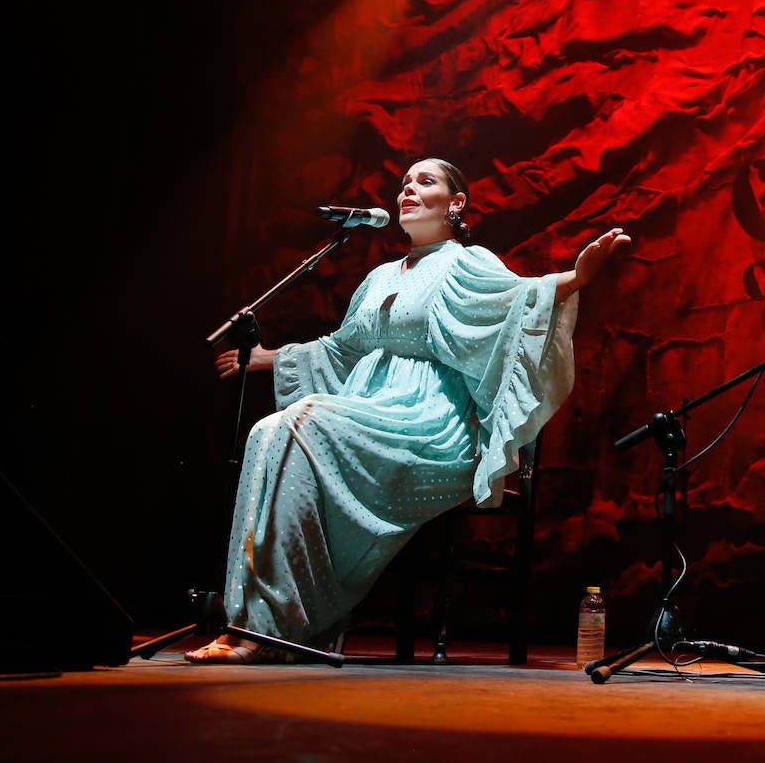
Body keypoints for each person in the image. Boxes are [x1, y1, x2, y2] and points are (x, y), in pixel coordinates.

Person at [186, 157, 630, 663]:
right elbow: (342, 350)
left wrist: (576, 277)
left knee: (302, 423)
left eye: (425, 182)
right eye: (404, 183)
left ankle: (281, 625)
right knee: (269, 431)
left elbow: (522, 301)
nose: (408, 191)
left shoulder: (467, 262)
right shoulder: (377, 277)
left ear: (456, 203)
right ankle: (260, 624)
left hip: (429, 423)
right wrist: (273, 358)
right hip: (365, 411)